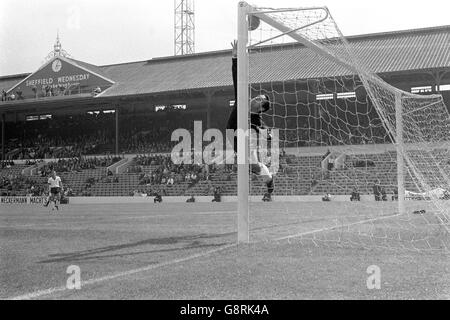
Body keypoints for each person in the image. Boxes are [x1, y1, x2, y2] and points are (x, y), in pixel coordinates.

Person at [226, 40, 274, 201]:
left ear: (260, 108)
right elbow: (236, 79)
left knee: (254, 165)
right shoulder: (242, 100)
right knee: (252, 165)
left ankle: (269, 183)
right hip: (233, 136)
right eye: (258, 96)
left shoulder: (257, 119)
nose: (256, 98)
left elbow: (267, 134)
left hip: (246, 147)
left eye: (260, 100)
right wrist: (234, 58)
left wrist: (267, 135)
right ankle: (262, 174)